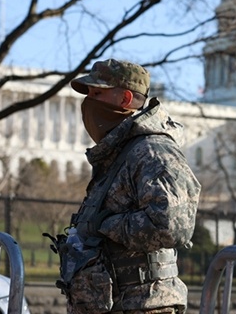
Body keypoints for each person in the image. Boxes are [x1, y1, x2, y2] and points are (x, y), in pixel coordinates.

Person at [55, 58, 201, 314]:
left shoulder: (152, 151)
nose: (88, 102)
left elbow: (173, 225)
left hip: (144, 305)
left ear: (124, 99)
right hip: (116, 305)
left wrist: (106, 225)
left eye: (97, 93)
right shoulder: (118, 152)